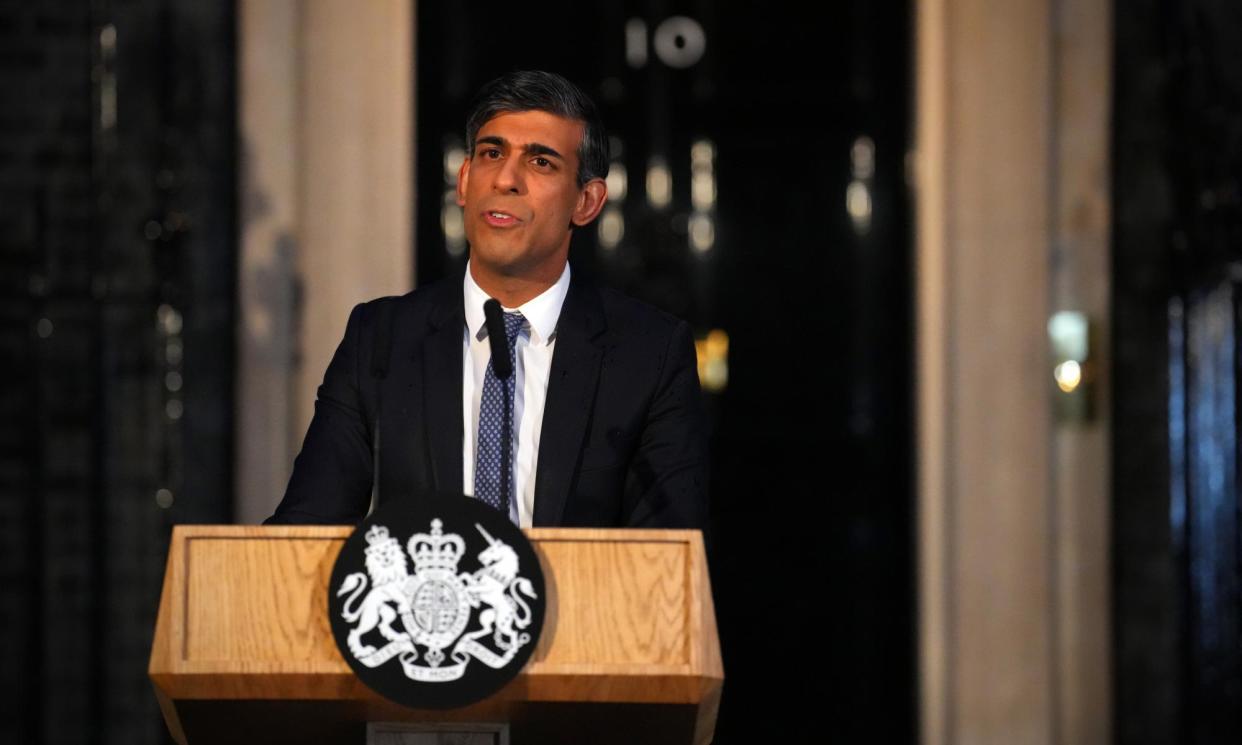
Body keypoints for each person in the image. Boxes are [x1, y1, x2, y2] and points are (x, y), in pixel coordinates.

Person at [265, 70, 708, 530]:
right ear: (463, 179)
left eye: (541, 163)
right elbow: (305, 531)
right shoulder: (380, 339)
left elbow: (669, 557)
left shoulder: (648, 354)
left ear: (587, 202)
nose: (506, 179)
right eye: (492, 154)